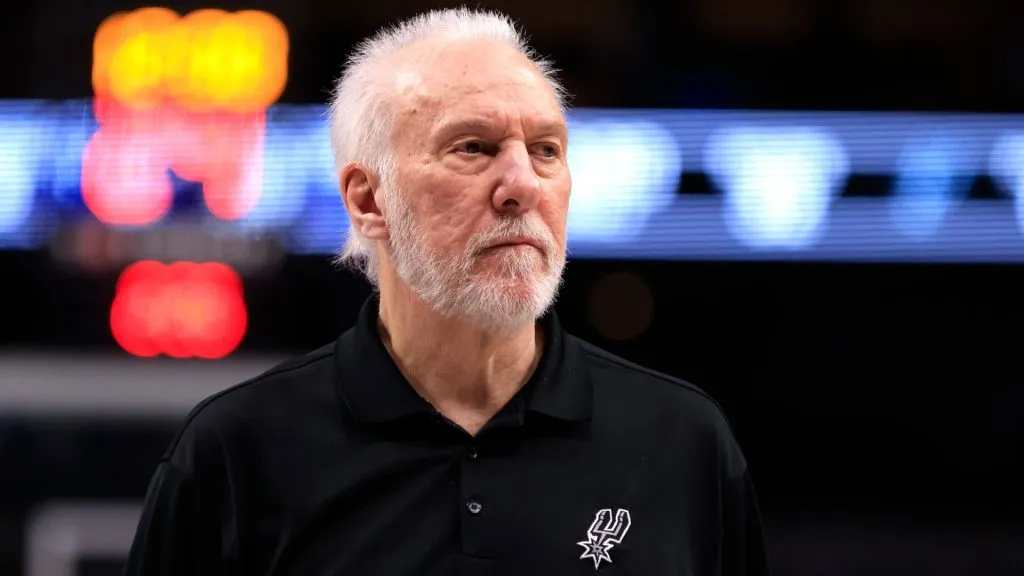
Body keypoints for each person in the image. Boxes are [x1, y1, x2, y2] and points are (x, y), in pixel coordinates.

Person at [124, 8, 770, 575]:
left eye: (546, 149)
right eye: (473, 147)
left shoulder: (681, 441)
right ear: (368, 199)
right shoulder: (236, 453)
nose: (522, 184)